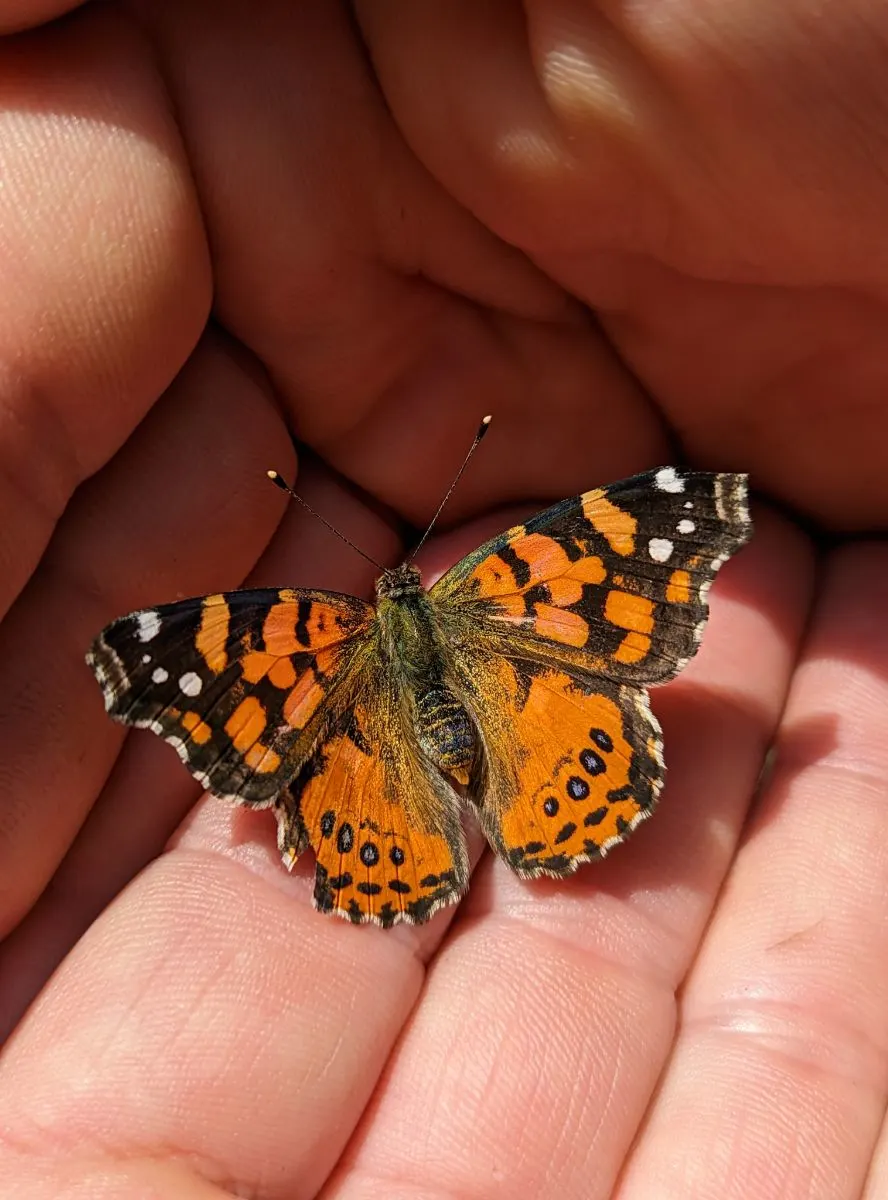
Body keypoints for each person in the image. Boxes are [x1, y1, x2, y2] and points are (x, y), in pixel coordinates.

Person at [0, 3, 884, 1197]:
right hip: (521, 697)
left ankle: (416, 847)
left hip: (369, 739)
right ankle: (502, 819)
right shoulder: (514, 579)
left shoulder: (300, 638)